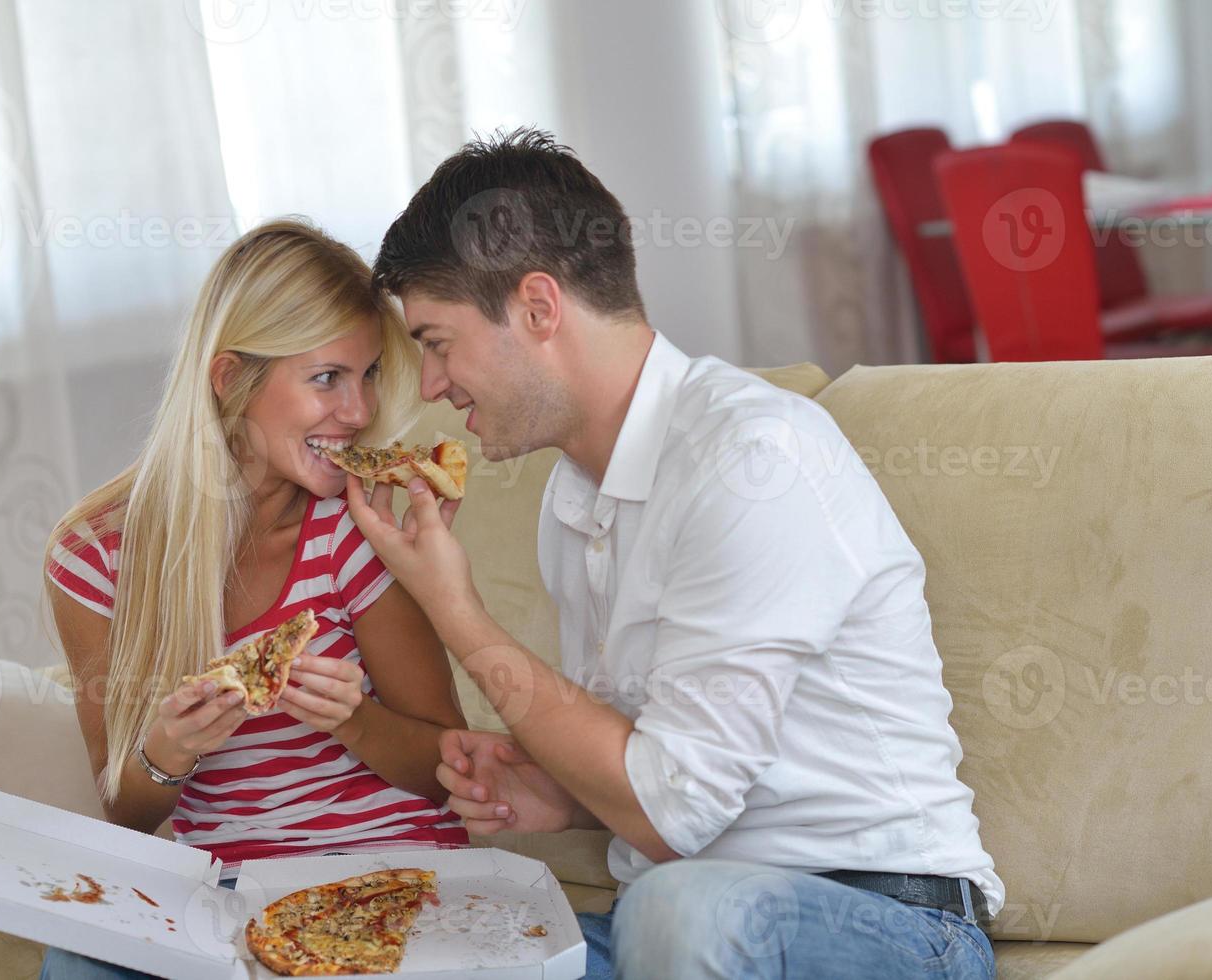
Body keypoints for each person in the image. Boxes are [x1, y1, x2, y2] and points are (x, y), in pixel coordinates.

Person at [345, 129, 1003, 979]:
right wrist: (564, 796)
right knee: (438, 950)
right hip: (676, 928)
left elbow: (671, 815)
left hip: (885, 925)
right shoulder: (575, 498)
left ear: (539, 308)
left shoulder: (752, 459)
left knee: (678, 905)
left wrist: (453, 610)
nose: (431, 386)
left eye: (436, 342)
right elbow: (667, 770)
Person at [38, 219, 469, 979]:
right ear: (230, 377)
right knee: (76, 963)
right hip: (225, 895)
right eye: (327, 378)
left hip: (387, 869)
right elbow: (125, 809)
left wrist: (355, 720)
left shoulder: (353, 526)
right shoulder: (94, 557)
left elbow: (446, 767)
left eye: (367, 375)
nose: (359, 411)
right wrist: (166, 755)